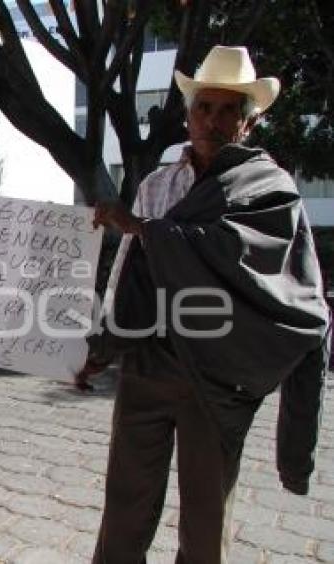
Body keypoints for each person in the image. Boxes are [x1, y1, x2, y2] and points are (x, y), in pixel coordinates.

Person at [84, 46, 330, 563]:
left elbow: (235, 252)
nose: (213, 121)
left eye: (228, 111)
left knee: (205, 516)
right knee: (125, 503)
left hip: (217, 372)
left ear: (248, 121)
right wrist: (105, 344)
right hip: (149, 362)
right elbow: (133, 272)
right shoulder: (157, 184)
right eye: (204, 108)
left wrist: (146, 229)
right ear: (189, 112)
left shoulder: (269, 188)